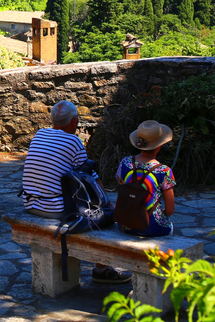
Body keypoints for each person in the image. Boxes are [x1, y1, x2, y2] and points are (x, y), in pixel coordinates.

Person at [21, 100, 132, 285]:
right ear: (74, 121)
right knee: (106, 216)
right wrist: (107, 204)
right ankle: (102, 269)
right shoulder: (73, 141)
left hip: (30, 203)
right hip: (54, 208)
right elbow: (91, 176)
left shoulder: (40, 134)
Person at [115, 120, 177, 237]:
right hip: (152, 227)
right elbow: (170, 210)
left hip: (125, 224)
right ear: (159, 146)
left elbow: (120, 186)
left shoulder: (125, 163)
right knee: (169, 226)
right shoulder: (164, 171)